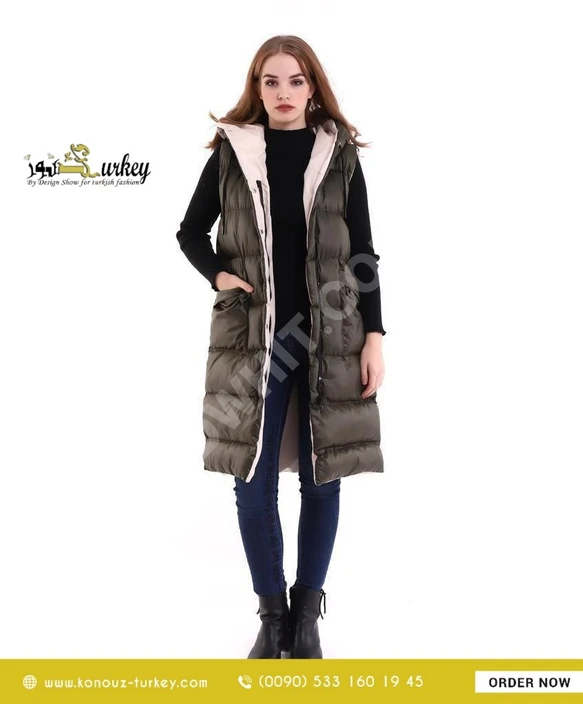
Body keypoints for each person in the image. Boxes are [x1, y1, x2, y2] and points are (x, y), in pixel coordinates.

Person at [176, 35, 386, 659]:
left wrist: (375, 336)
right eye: (271, 81)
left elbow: (363, 253)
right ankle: (272, 618)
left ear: (312, 87)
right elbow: (190, 232)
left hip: (331, 340)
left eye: (296, 81)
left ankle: (306, 617)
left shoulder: (338, 155)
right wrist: (219, 275)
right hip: (254, 343)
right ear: (257, 88)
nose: (284, 92)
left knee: (324, 480)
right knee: (252, 481)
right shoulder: (233, 153)